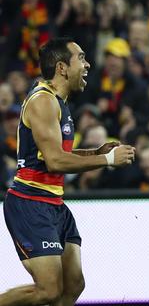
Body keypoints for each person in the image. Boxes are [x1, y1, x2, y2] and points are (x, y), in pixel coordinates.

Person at [0, 37, 135, 306]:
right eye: (82, 58)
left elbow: (54, 155)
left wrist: (95, 152)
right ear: (62, 67)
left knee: (73, 285)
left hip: (53, 203)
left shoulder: (59, 102)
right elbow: (55, 162)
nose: (87, 65)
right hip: (31, 202)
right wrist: (107, 159)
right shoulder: (43, 101)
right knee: (49, 290)